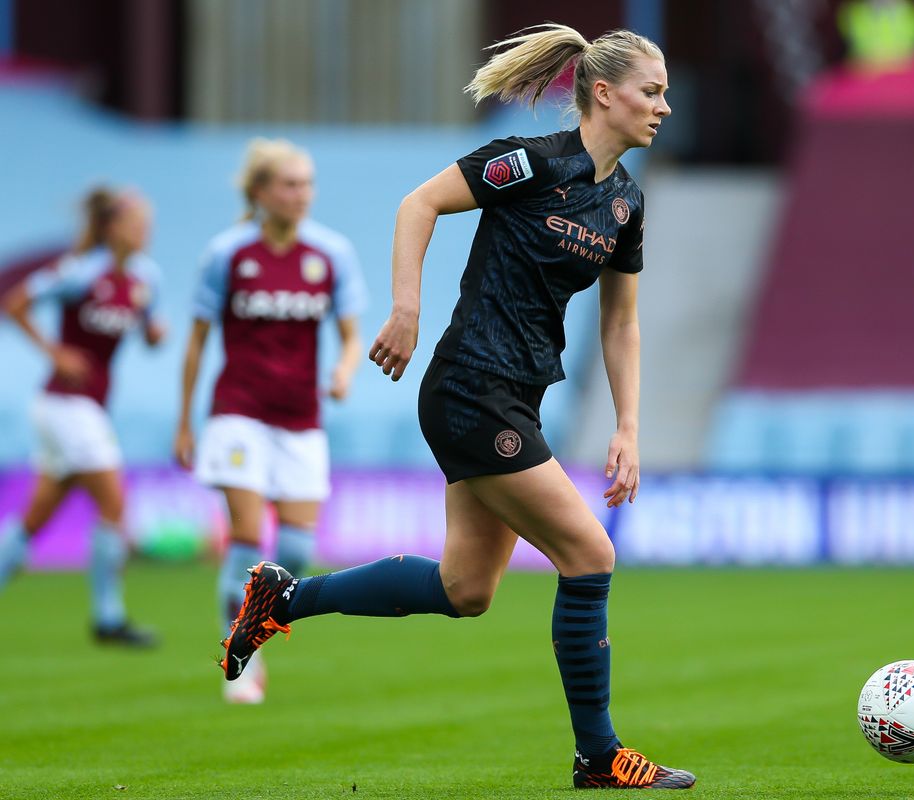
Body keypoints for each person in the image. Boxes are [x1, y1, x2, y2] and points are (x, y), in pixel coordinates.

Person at [218, 23, 695, 790]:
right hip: (472, 388)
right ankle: (597, 756)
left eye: (665, 93)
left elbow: (620, 322)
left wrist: (629, 425)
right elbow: (420, 204)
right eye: (652, 91)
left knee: (464, 591)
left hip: (518, 398)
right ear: (603, 93)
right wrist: (406, 309)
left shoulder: (626, 205)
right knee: (591, 556)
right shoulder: (532, 163)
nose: (664, 107)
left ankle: (284, 596)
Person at [174, 138, 367, 704]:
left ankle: (249, 637)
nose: (300, 194)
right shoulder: (228, 253)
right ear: (260, 192)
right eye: (289, 183)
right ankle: (242, 666)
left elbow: (352, 335)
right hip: (239, 411)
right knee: (244, 540)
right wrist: (186, 422)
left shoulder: (330, 253)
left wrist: (344, 371)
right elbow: (196, 343)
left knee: (295, 551)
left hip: (300, 417)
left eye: (307, 183)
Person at [0, 187, 164, 646]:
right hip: (64, 403)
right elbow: (15, 303)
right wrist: (54, 352)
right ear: (111, 228)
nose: (144, 232)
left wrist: (154, 334)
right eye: (136, 224)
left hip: (87, 406)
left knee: (36, 517)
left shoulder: (145, 276)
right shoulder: (80, 271)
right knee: (114, 504)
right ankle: (108, 618)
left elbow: (149, 329)